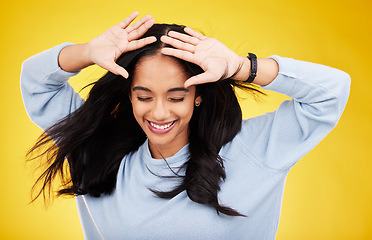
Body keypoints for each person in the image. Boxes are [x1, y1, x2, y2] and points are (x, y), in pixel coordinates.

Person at [20, 11, 350, 239]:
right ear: (130, 96)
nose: (159, 113)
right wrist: (89, 52)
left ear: (198, 96)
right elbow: (34, 81)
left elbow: (332, 92)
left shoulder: (254, 151)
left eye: (176, 97)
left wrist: (240, 66)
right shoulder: (98, 149)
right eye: (144, 96)